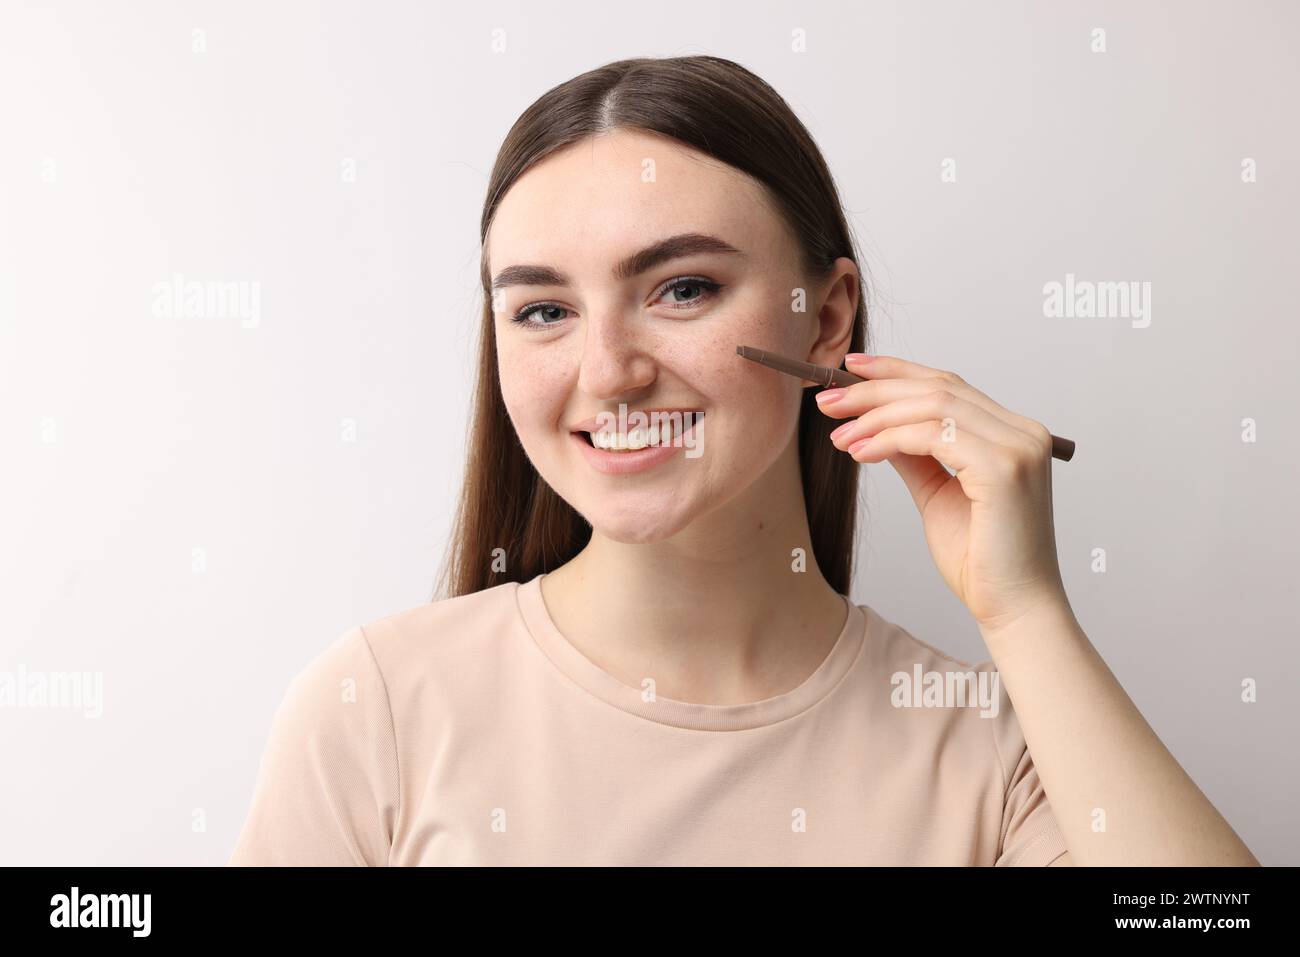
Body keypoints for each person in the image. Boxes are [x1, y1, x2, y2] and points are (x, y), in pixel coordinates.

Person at [229, 55, 1258, 866]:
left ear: (828, 320)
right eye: (543, 310)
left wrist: (1025, 611)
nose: (609, 371)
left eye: (680, 289)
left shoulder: (986, 750)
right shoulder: (376, 709)